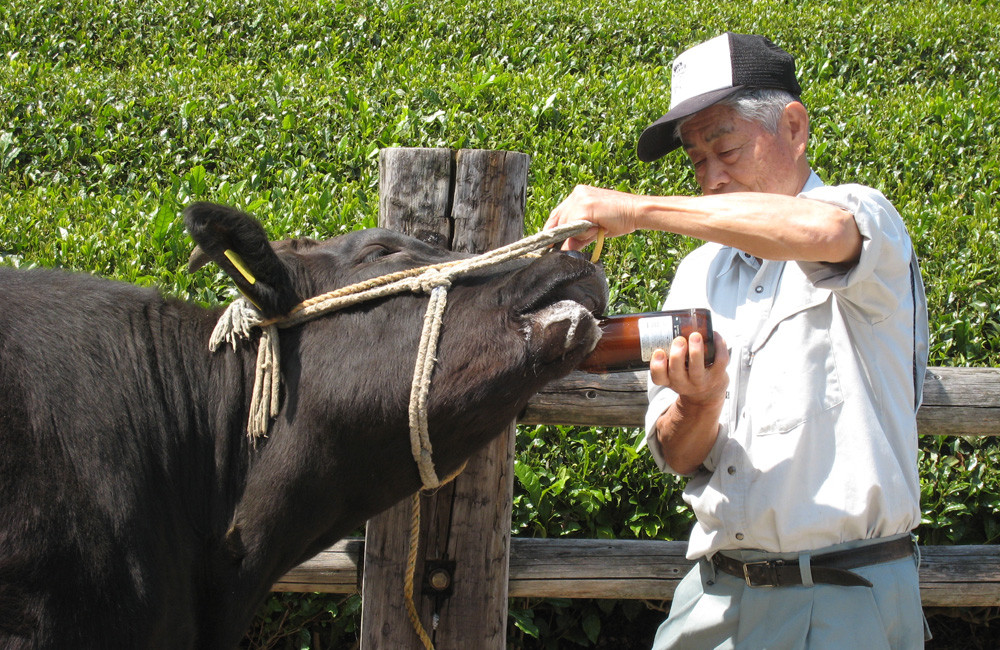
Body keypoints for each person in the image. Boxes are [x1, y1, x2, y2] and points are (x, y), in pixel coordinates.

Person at [546, 32, 931, 648]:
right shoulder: (697, 273)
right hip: (715, 594)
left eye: (726, 147)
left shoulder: (861, 214)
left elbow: (822, 229)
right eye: (697, 160)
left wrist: (638, 209)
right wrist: (700, 403)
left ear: (795, 128)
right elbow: (678, 456)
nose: (712, 176)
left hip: (846, 602)